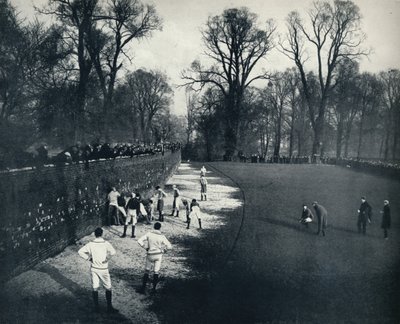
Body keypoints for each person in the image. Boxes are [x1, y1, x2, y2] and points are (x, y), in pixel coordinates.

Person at [78, 227, 118, 313]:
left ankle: (96, 307)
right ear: (102, 234)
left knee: (95, 287)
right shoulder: (106, 243)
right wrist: (107, 259)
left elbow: (80, 252)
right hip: (104, 269)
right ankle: (109, 307)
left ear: (95, 234)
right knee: (108, 287)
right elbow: (113, 252)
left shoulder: (91, 244)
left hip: (94, 268)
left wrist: (89, 258)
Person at [137, 222, 172, 294]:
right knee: (156, 271)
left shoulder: (149, 234)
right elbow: (169, 246)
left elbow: (139, 240)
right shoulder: (162, 236)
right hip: (158, 255)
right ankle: (154, 289)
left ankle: (143, 288)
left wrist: (145, 247)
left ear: (154, 227)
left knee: (147, 271)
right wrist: (163, 250)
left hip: (150, 254)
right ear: (160, 228)